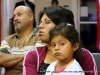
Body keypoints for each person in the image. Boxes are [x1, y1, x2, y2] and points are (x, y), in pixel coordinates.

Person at [23, 6, 97, 75]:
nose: (40, 26)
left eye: (47, 22)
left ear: (62, 26)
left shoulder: (84, 55)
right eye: (40, 22)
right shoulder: (32, 56)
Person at [0, 6, 39, 75]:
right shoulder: (8, 40)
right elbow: (1, 60)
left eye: (19, 15)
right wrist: (28, 55)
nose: (15, 18)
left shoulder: (40, 37)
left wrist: (9, 64)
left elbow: (38, 61)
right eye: (14, 16)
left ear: (31, 17)